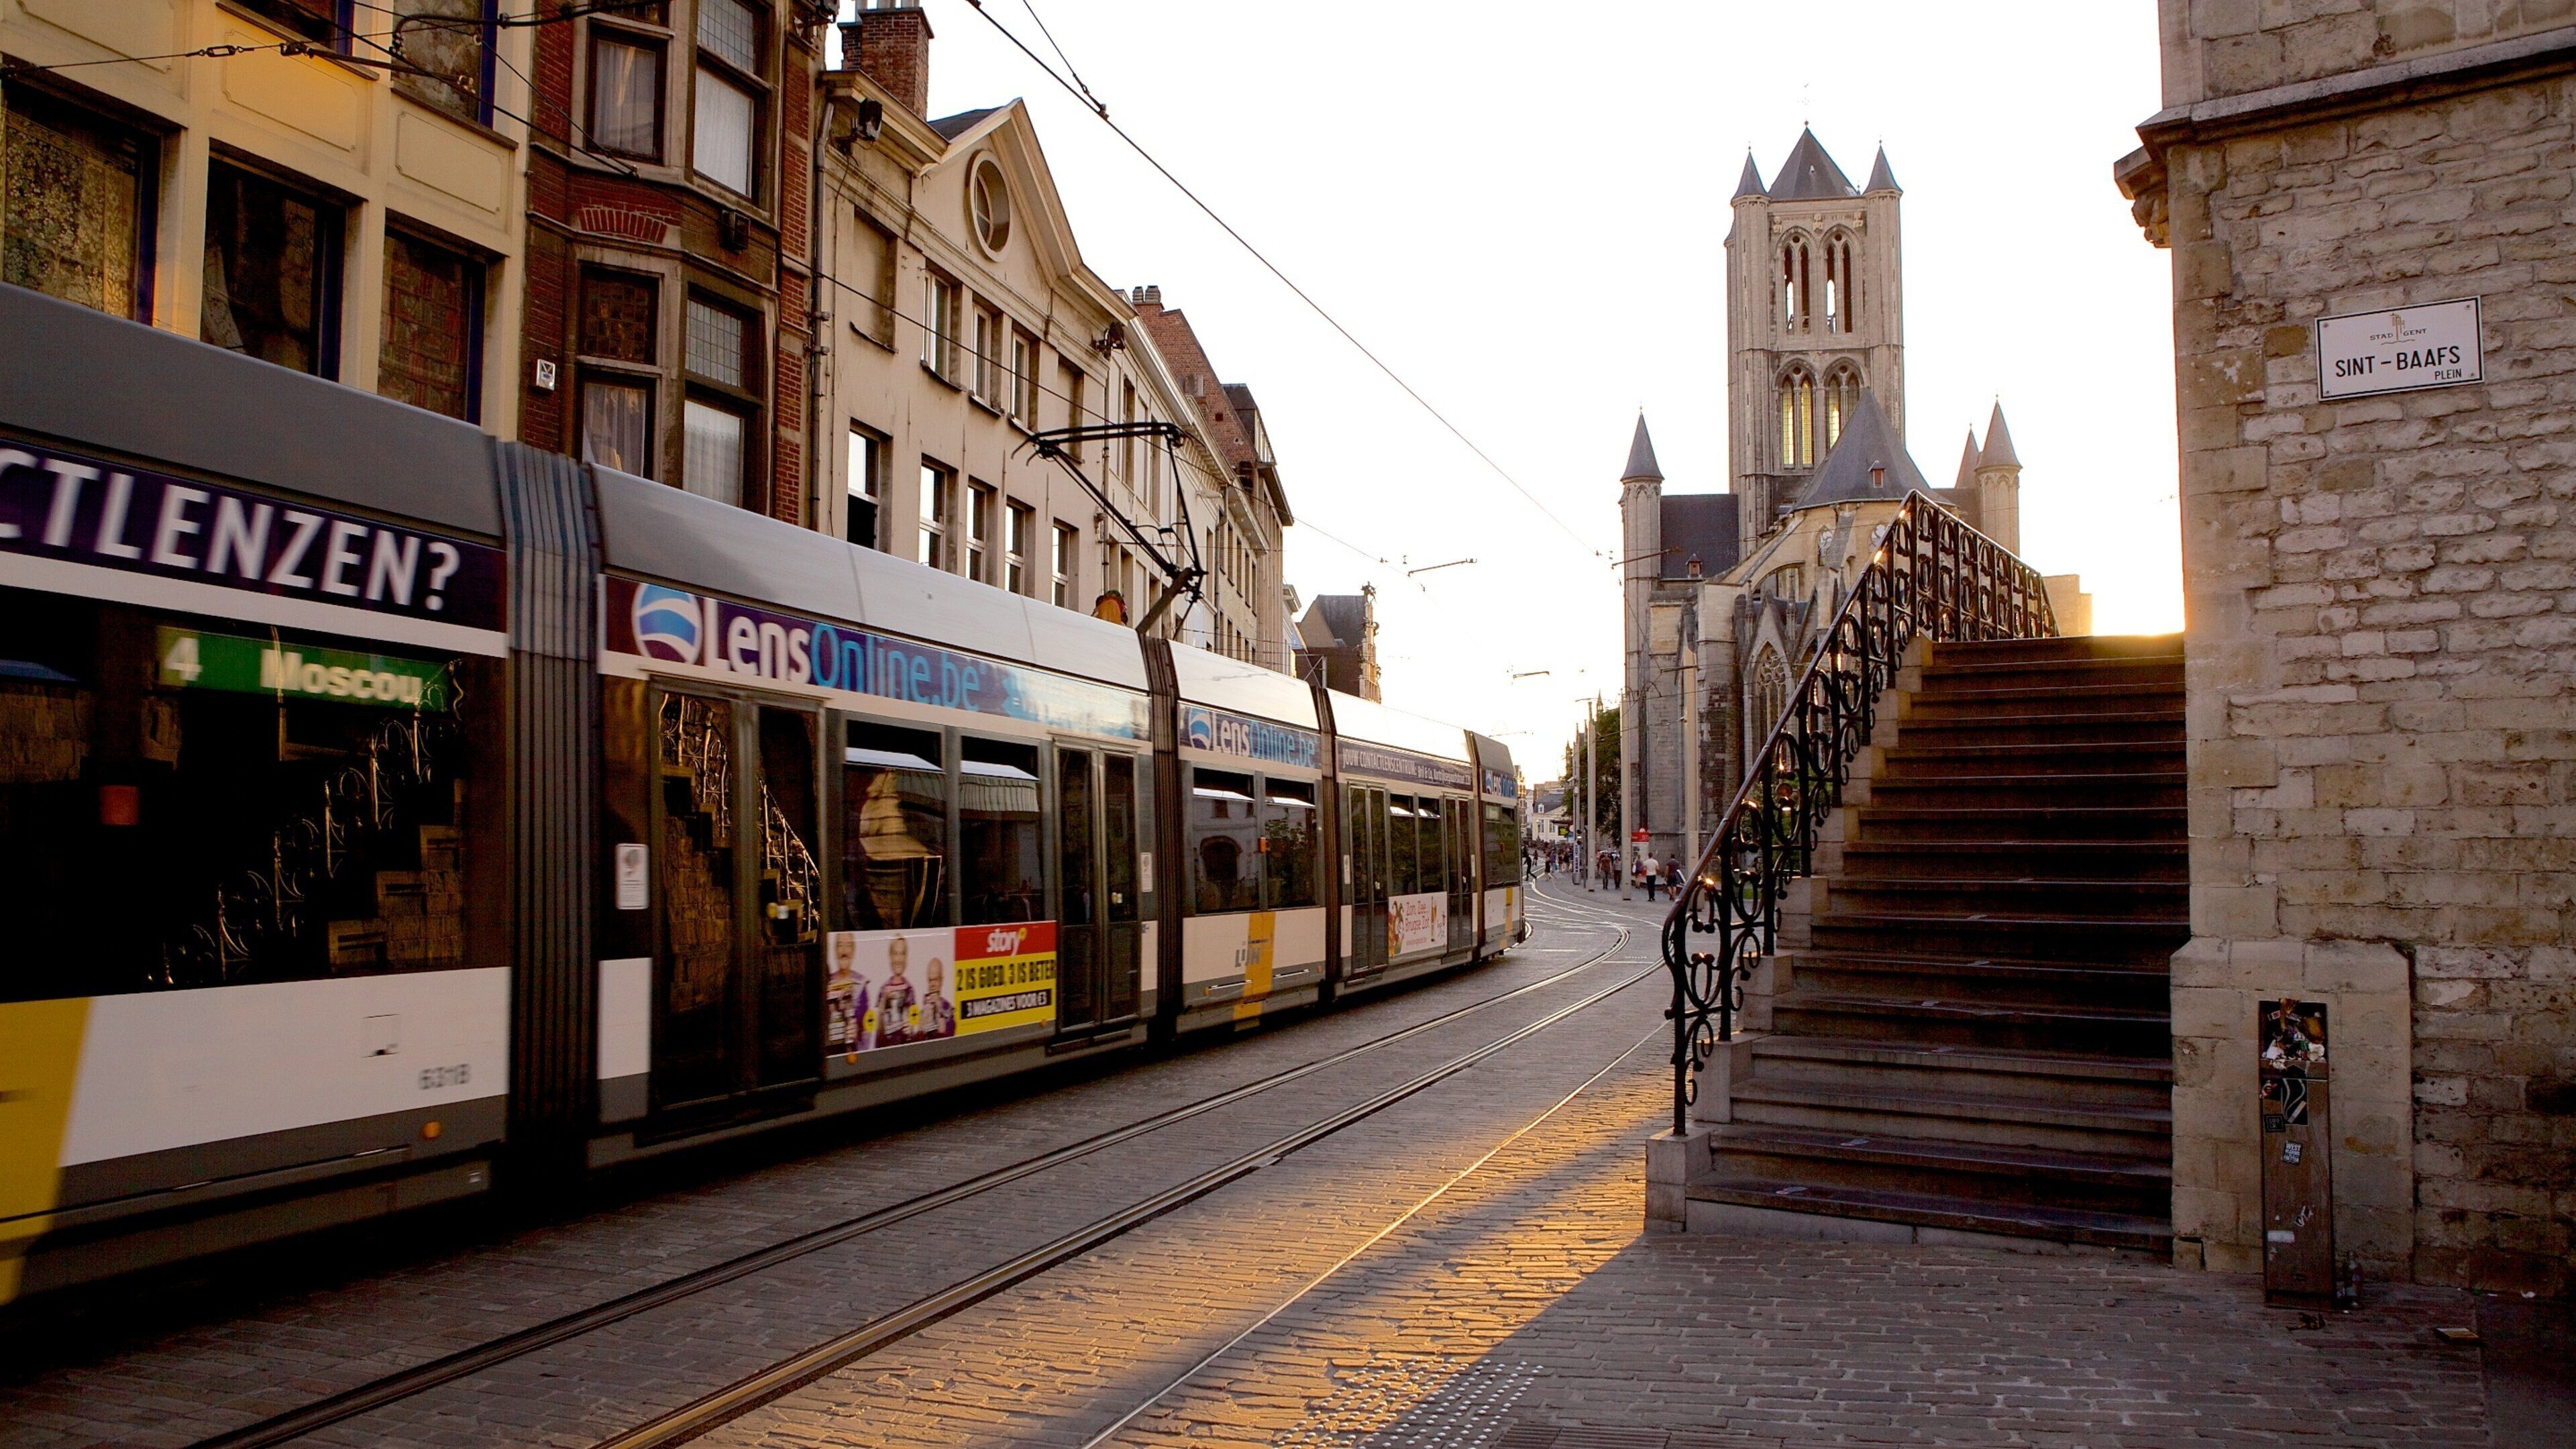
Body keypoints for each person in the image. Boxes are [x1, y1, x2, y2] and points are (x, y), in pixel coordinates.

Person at [875, 935, 920, 1046]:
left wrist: (911, 1029)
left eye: (902, 954)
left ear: (906, 958)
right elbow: (877, 1032)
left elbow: (915, 1023)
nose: (899, 959)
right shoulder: (883, 989)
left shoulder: (910, 990)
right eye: (895, 953)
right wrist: (883, 1004)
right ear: (890, 957)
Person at [916, 957, 957, 1040]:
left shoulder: (947, 1008)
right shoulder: (923, 1010)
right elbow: (918, 1040)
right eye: (930, 980)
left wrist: (940, 1010)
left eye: (936, 980)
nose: (933, 984)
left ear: (941, 981)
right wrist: (921, 1027)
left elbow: (951, 1034)